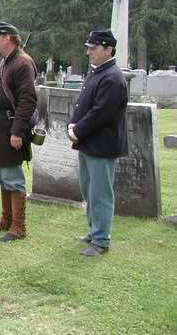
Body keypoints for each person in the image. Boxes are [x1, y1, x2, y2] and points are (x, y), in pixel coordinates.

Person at [68, 29, 128, 257]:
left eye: (93, 48)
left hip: (102, 145)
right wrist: (74, 124)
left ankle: (101, 241)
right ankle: (94, 232)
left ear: (108, 49)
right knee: (89, 190)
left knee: (101, 194)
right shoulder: (98, 72)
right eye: (89, 48)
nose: (89, 52)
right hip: (88, 142)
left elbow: (100, 113)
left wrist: (77, 130)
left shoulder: (112, 77)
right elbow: (84, 104)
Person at [0, 22, 37, 243]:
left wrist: (17, 131)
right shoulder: (4, 62)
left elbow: (28, 100)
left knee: (13, 177)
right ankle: (6, 219)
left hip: (10, 127)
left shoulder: (23, 63)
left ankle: (19, 226)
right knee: (1, 175)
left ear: (7, 38)